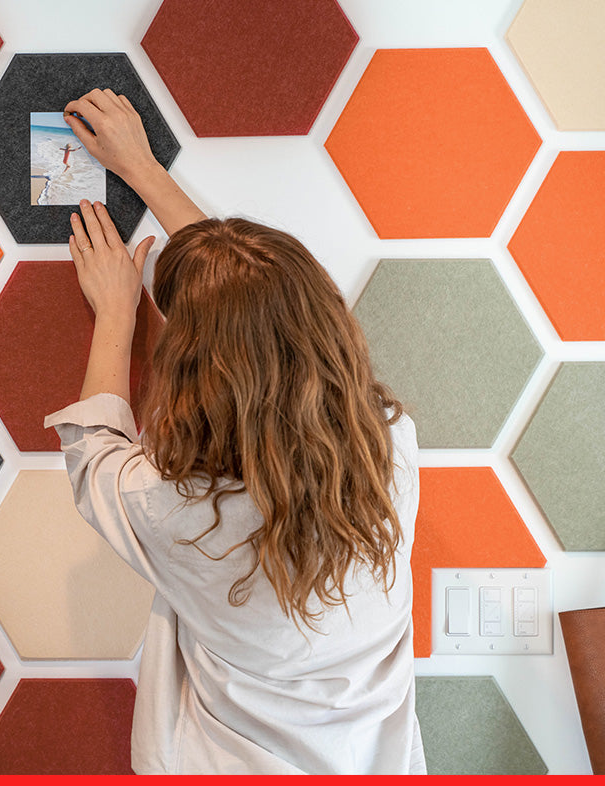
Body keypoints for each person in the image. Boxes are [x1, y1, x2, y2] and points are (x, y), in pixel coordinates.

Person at [43, 89, 424, 775]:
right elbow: (263, 306)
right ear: (325, 322)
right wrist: (146, 171)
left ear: (191, 368)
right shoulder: (388, 447)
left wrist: (116, 314)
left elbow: (94, 456)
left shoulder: (174, 506)